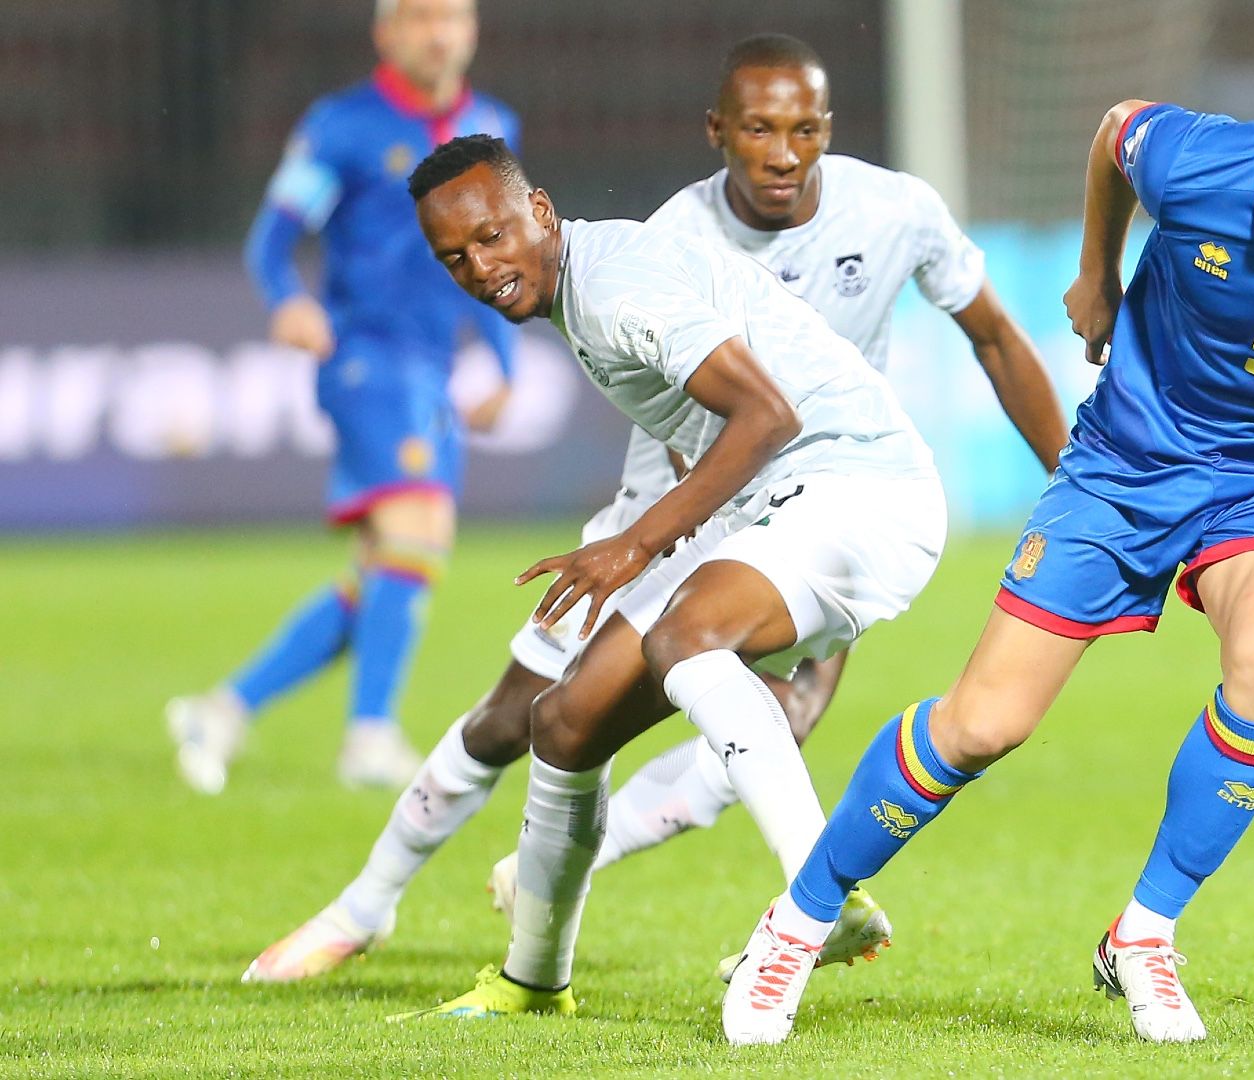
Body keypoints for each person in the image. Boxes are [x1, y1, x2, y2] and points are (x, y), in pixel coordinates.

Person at [716, 38, 1254, 1046]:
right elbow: (1118, 134)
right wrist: (1096, 273)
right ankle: (797, 923)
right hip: (1127, 463)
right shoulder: (1204, 165)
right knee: (984, 724)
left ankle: (1145, 935)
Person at [239, 35, 1064, 984]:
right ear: (719, 134)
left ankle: (794, 907)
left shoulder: (886, 213)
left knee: (721, 695)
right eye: (758, 128)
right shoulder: (668, 235)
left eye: (803, 130)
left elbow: (931, 358)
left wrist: (1069, 486)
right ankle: (371, 908)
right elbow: (706, 430)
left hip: (816, 486)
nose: (782, 152)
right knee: (533, 716)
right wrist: (653, 537)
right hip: (697, 493)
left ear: (829, 133)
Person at [375, 132, 950, 1021]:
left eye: (490, 237)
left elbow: (766, 413)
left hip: (859, 487)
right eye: (454, 257)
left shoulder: (610, 287)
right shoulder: (580, 288)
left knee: (687, 636)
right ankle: (532, 981)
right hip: (775, 502)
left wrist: (636, 544)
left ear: (538, 211)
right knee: (563, 722)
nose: (479, 267)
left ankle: (819, 902)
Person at [165, 0, 518, 793]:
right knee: (420, 525)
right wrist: (288, 299)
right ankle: (369, 736)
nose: (440, 32)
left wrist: (504, 361)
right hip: (363, 358)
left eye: (453, 16)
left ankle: (221, 710)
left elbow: (496, 258)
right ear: (385, 33)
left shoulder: (494, 127)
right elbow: (272, 239)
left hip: (431, 366)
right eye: (421, 17)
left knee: (388, 568)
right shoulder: (341, 126)